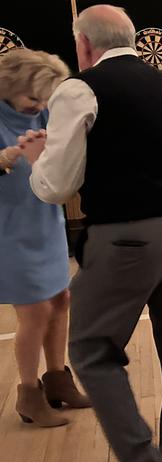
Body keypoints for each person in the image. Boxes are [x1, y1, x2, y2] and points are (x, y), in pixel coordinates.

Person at [19, 5, 162, 462]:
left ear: (84, 43)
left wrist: (36, 158)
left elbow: (56, 187)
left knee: (91, 348)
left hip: (128, 238)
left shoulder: (80, 88)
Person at [0, 48, 91, 428]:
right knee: (34, 311)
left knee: (60, 300)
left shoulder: (42, 113)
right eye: (32, 97)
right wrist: (7, 157)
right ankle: (28, 393)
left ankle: (58, 380)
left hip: (45, 222)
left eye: (44, 98)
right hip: (9, 230)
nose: (38, 106)